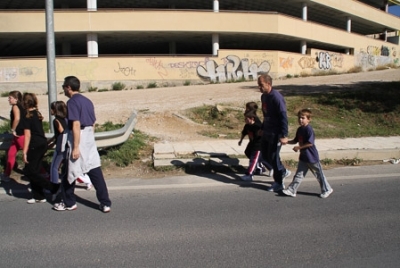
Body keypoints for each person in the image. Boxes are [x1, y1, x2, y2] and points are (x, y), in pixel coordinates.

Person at [53, 76, 111, 212]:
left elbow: (76, 124)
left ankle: (69, 202)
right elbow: (93, 122)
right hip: (89, 136)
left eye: (63, 87)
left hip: (78, 136)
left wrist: (76, 147)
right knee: (94, 170)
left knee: (68, 172)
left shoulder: (72, 102)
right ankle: (105, 202)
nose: (63, 90)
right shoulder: (87, 101)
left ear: (68, 87)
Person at [282, 109, 333, 198]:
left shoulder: (309, 130)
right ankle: (292, 190)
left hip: (312, 157)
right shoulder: (300, 129)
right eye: (299, 118)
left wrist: (299, 147)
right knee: (298, 175)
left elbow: (310, 143)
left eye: (303, 118)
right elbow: (295, 140)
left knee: (319, 175)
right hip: (304, 157)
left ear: (308, 119)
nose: (300, 120)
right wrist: (287, 142)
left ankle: (327, 189)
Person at [20, 93, 60, 203]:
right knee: (35, 170)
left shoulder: (27, 115)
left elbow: (27, 135)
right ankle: (38, 196)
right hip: (42, 143)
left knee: (29, 171)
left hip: (35, 144)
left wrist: (24, 152)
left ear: (25, 103)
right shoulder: (37, 113)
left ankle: (53, 187)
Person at [258, 74, 291, 192]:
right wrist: (262, 127)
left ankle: (279, 183)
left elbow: (283, 116)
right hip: (267, 130)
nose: (259, 88)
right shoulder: (264, 97)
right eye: (258, 85)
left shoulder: (276, 97)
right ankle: (282, 171)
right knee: (265, 156)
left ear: (268, 84)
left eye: (261, 85)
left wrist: (284, 135)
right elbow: (266, 115)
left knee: (273, 157)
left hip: (276, 133)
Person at [241, 101, 273, 176]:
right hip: (253, 141)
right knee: (249, 153)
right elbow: (245, 130)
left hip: (258, 143)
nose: (246, 109)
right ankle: (260, 167)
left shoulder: (256, 121)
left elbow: (260, 132)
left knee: (255, 157)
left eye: (247, 108)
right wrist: (241, 140)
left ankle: (250, 174)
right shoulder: (248, 120)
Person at [1, 91, 25, 183]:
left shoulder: (15, 106)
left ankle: (42, 172)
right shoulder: (22, 106)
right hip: (18, 135)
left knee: (29, 154)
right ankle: (6, 174)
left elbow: (17, 118)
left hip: (19, 134)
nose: (8, 99)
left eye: (10, 98)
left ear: (16, 99)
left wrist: (13, 129)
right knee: (11, 153)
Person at [47, 101, 68, 184]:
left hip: (61, 146)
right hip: (66, 145)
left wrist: (53, 142)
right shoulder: (66, 119)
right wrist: (51, 141)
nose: (50, 111)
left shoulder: (56, 120)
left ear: (55, 110)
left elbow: (61, 132)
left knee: (54, 167)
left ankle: (54, 185)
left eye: (51, 109)